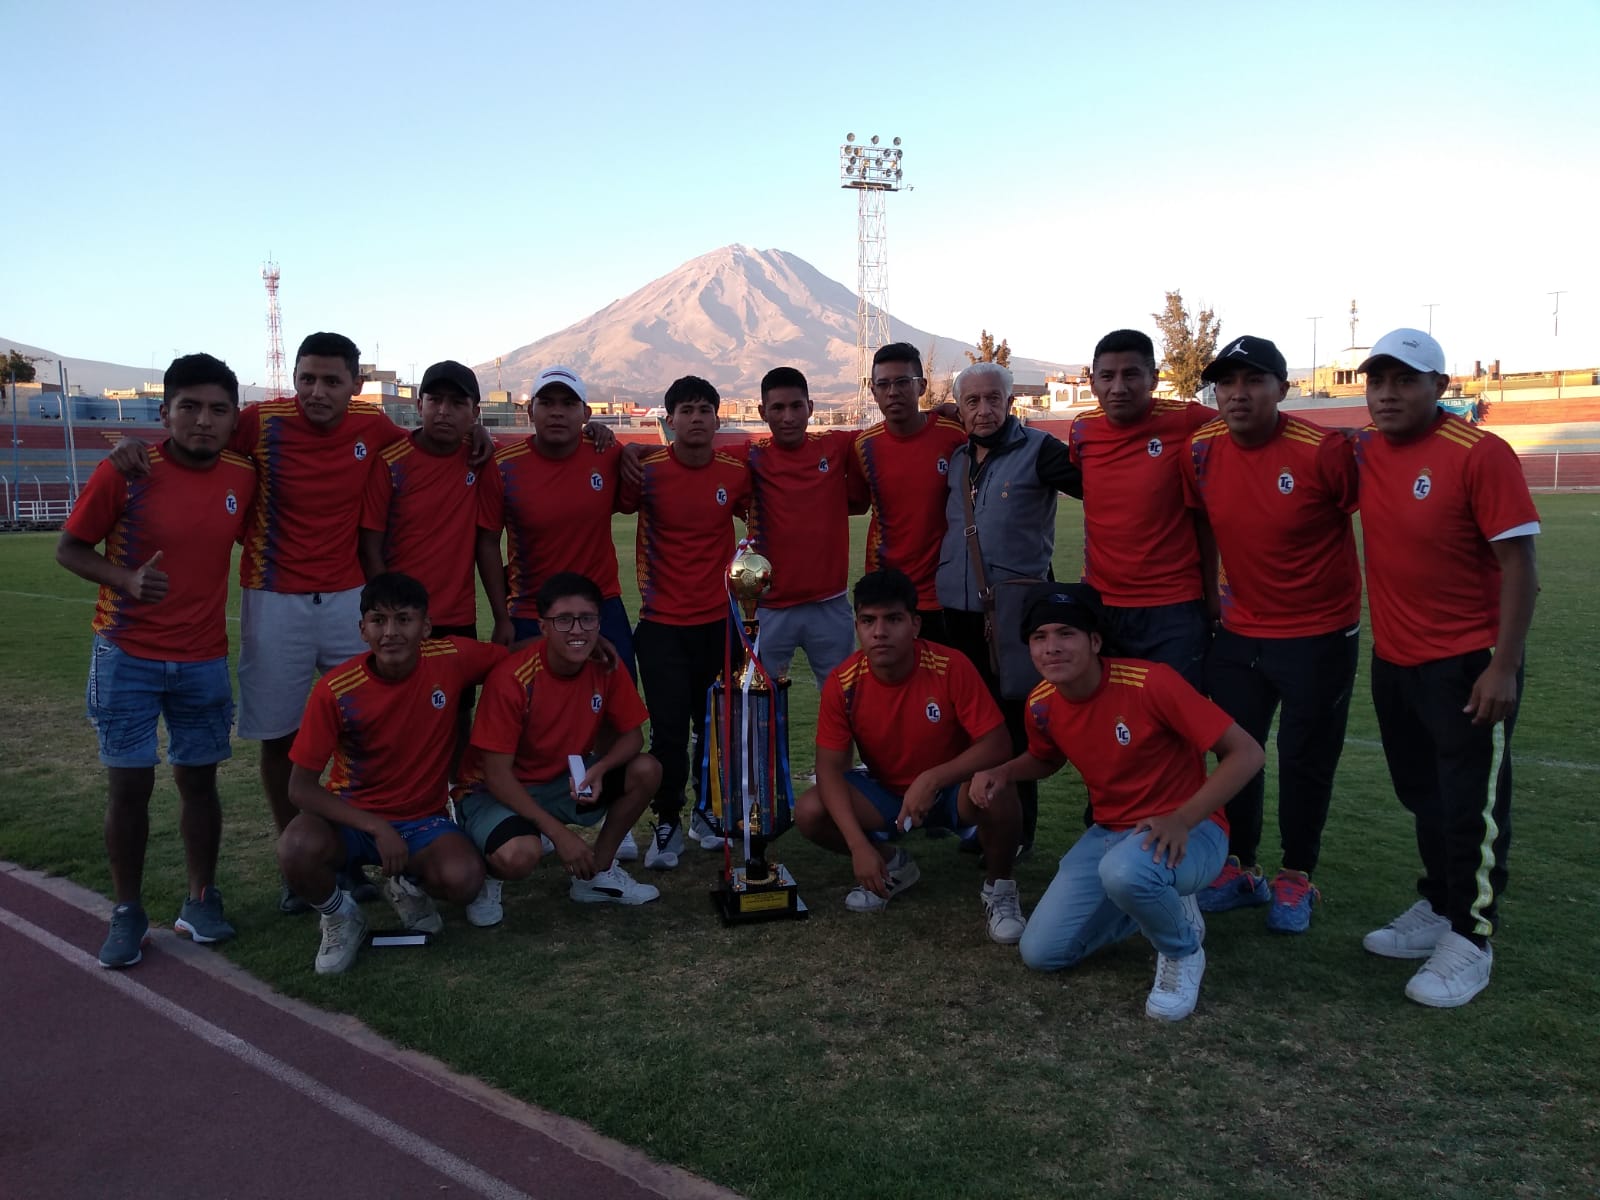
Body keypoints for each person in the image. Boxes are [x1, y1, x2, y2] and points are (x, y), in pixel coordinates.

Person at [108, 332, 492, 913]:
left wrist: (479, 431)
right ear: (293, 376)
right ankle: (302, 862)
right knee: (281, 735)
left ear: (355, 385)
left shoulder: (374, 429)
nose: (316, 391)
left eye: (332, 380)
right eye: (306, 377)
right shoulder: (259, 420)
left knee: (376, 718)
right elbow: (191, 437)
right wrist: (133, 443)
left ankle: (381, 842)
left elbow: (432, 438)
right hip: (273, 596)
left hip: (349, 601)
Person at [973, 583, 1263, 1021]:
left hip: (1191, 833)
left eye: (1066, 633)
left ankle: (1182, 949)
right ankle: (1151, 901)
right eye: (1039, 636)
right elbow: (1045, 758)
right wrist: (1004, 772)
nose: (1052, 647)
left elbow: (1247, 753)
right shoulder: (1041, 703)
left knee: (1126, 871)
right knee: (1041, 953)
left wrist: (1182, 819)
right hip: (1111, 834)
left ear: (1094, 640)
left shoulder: (1152, 683)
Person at [1352, 328, 1539, 1008]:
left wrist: (1503, 668)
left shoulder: (1479, 454)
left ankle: (1471, 935)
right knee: (1422, 794)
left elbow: (1521, 567)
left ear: (1440, 385)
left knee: (1471, 808)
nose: (1388, 394)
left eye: (1405, 380)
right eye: (1377, 381)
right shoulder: (1367, 450)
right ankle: (1438, 904)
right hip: (1394, 660)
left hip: (1467, 664)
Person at [56, 353, 255, 967]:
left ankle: (200, 899)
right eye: (188, 407)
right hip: (128, 654)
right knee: (130, 787)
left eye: (217, 409)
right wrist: (124, 579)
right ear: (164, 411)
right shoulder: (127, 473)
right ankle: (127, 911)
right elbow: (69, 547)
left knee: (200, 781)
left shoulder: (244, 477)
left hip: (202, 660)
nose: (202, 421)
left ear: (233, 418)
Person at [1180, 336, 1362, 933]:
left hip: (1319, 634)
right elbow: (1203, 526)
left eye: (1253, 381)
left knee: (1307, 757)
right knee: (1237, 752)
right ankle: (1239, 868)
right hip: (1237, 632)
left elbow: (1371, 514)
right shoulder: (1201, 450)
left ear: (1282, 388)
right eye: (1226, 383)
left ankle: (1296, 877)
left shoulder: (1323, 449)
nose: (1237, 394)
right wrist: (1212, 596)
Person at [278, 573, 507, 975]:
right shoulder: (337, 689)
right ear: (362, 629)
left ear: (426, 627)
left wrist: (582, 646)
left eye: (404, 619)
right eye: (378, 621)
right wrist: (377, 827)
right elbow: (299, 788)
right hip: (353, 818)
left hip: (423, 820)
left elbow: (517, 659)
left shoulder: (450, 658)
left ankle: (407, 885)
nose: (391, 632)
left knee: (465, 879)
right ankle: (340, 915)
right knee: (295, 847)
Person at [795, 569, 1026, 942]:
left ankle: (1000, 889)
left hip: (953, 793)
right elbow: (829, 769)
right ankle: (892, 864)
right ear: (857, 626)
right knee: (810, 810)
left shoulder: (950, 666)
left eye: (893, 619)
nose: (880, 632)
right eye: (869, 621)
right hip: (887, 795)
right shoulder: (844, 682)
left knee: (996, 786)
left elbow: (998, 744)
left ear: (915, 624)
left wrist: (932, 778)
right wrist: (859, 846)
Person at [935, 360, 1083, 858]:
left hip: (1015, 616)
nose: (983, 410)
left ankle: (1018, 832)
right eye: (972, 401)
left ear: (1010, 401)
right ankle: (981, 819)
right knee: (972, 724)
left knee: (1018, 725)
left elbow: (1097, 486)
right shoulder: (956, 459)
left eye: (992, 398)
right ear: (959, 409)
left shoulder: (1041, 451)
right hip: (957, 612)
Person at [456, 573, 661, 916]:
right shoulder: (513, 678)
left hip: (556, 782)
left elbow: (633, 736)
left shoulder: (605, 664)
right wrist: (559, 835)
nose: (577, 630)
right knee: (520, 855)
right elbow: (496, 776)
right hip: (490, 792)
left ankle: (597, 874)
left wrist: (599, 768)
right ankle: (489, 869)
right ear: (544, 626)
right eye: (563, 620)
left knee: (646, 769)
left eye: (587, 619)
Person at [619, 375, 751, 870]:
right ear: (669, 420)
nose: (696, 418)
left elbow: (755, 515)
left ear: (719, 418)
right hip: (661, 625)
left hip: (719, 624)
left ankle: (707, 813)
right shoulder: (646, 468)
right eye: (687, 410)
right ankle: (666, 819)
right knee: (669, 732)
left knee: (715, 729)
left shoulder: (736, 471)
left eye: (705, 410)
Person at [360, 360, 491, 780]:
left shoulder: (480, 459)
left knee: (455, 718)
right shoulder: (391, 461)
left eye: (457, 403)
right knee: (398, 715)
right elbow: (371, 542)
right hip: (404, 620)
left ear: (475, 413)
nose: (444, 411)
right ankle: (397, 806)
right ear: (419, 404)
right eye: (435, 400)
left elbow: (488, 544)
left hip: (456, 616)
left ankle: (455, 806)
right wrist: (388, 612)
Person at [1068, 330, 1215, 688]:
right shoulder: (1082, 430)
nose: (1118, 387)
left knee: (1177, 725)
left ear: (1154, 378)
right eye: (1107, 376)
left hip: (1173, 608)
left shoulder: (1189, 420)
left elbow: (1249, 422)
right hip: (1102, 605)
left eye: (1131, 374)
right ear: (1092, 382)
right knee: (1116, 721)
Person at [477, 365, 633, 675]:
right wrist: (501, 617)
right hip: (530, 609)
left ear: (586, 413)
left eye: (568, 403)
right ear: (530, 412)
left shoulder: (607, 452)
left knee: (616, 703)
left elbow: (667, 459)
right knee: (537, 713)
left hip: (602, 604)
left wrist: (636, 447)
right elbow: (487, 543)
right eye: (547, 403)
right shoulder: (503, 466)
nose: (557, 412)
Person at [744, 366, 869, 688]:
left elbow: (890, 433)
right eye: (777, 408)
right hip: (770, 608)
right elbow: (694, 456)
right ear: (762, 412)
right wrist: (635, 449)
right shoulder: (751, 457)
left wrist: (941, 411)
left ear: (810, 408)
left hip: (830, 603)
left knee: (844, 703)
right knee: (759, 703)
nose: (788, 417)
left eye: (796, 406)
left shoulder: (837, 445)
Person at [849, 343, 967, 645]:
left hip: (945, 589)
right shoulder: (864, 446)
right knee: (893, 681)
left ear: (922, 386)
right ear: (873, 392)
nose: (893, 392)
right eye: (883, 384)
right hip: (888, 589)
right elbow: (858, 503)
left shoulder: (955, 435)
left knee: (946, 681)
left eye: (903, 382)